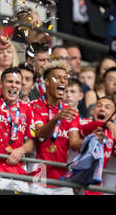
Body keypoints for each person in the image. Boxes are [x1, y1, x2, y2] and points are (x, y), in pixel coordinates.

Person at [0, 35, 36, 193]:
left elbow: (32, 140)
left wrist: (21, 150)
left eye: (17, 83)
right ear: (1, 84)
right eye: (10, 82)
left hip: (19, 173)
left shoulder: (27, 108)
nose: (14, 86)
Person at [30, 60, 82, 195]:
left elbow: (74, 143)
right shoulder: (34, 106)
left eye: (65, 78)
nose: (63, 81)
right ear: (46, 82)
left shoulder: (70, 112)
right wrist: (55, 119)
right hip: (38, 174)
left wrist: (93, 137)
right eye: (57, 78)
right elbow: (40, 133)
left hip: (62, 177)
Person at [79, 96, 116, 194]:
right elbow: (83, 130)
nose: (102, 109)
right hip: (76, 178)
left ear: (113, 116)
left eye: (107, 107)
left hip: (95, 183)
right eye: (99, 106)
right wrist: (104, 124)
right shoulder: (84, 122)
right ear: (93, 110)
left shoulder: (113, 132)